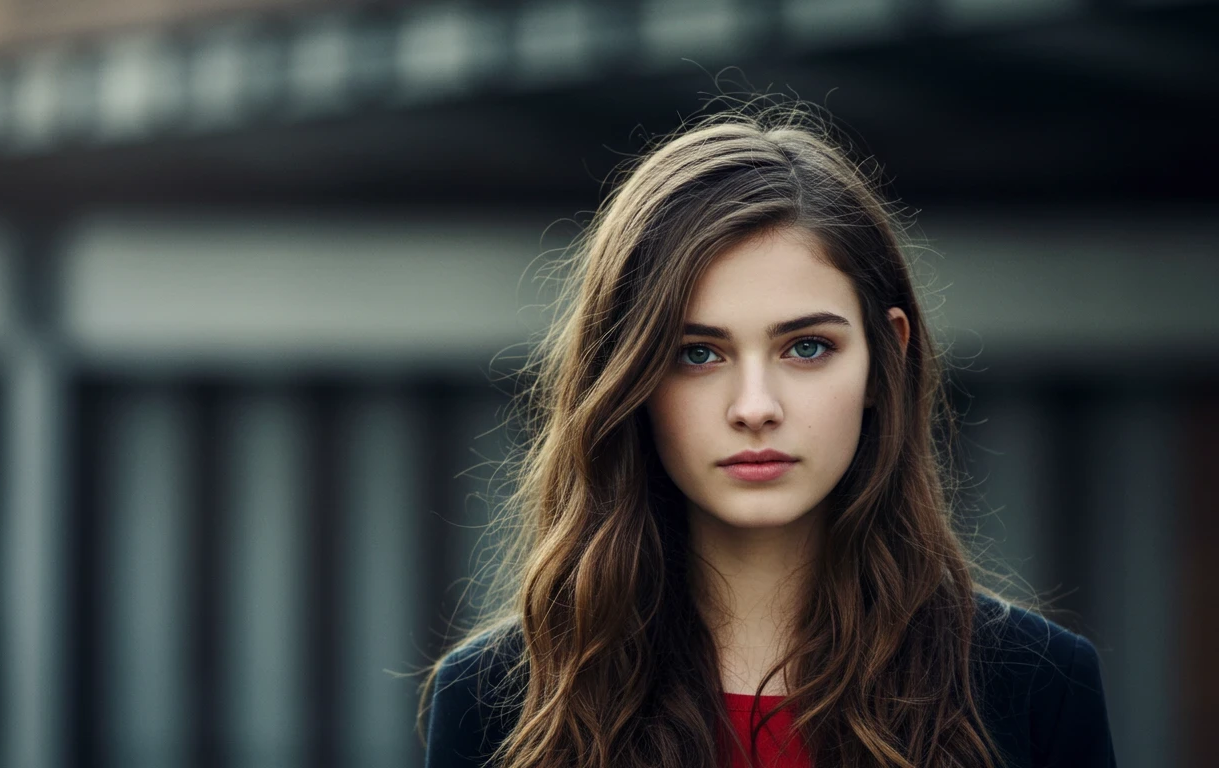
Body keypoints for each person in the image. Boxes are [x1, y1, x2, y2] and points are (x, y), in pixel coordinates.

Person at [416, 99, 1117, 768]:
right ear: (628, 380)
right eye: (698, 353)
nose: (754, 406)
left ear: (886, 359)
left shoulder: (1036, 688)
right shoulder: (496, 702)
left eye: (806, 347)